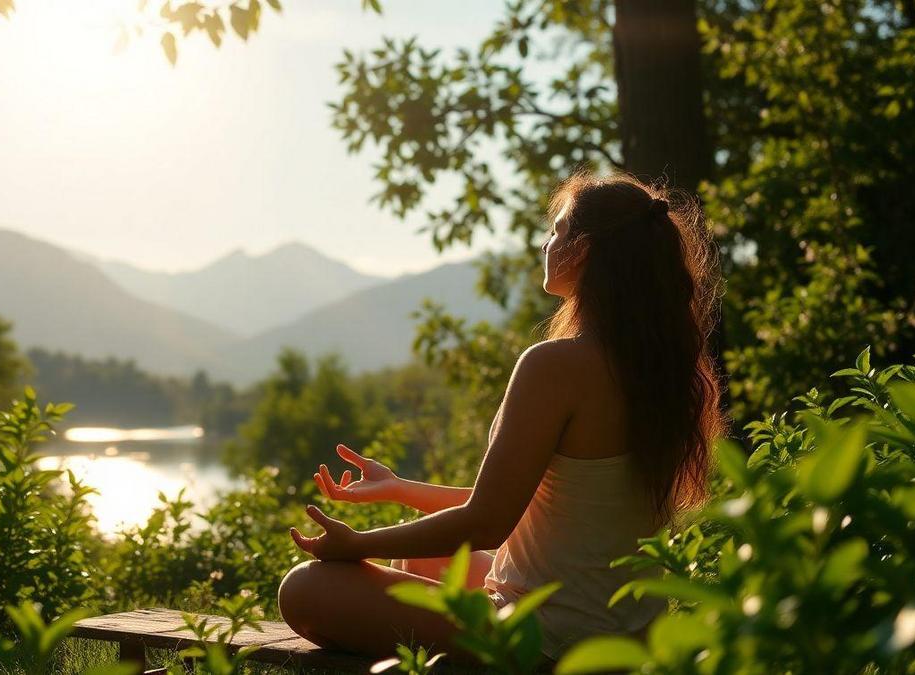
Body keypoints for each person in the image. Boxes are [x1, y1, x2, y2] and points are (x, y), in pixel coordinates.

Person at [276, 172, 727, 665]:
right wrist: (399, 487)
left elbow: (487, 523)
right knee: (424, 556)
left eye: (556, 231)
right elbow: (524, 508)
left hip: (548, 639)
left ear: (584, 250)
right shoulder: (666, 371)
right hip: (625, 635)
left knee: (305, 588)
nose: (545, 242)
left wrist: (356, 544)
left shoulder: (555, 365)